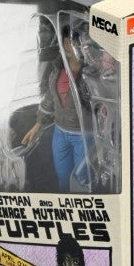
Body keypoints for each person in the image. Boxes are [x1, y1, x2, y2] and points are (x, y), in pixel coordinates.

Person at [22, 23, 92, 192]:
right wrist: (38, 125)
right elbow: (50, 98)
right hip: (60, 132)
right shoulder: (58, 68)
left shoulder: (90, 72)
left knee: (83, 179)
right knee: (63, 177)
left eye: (74, 42)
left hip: (83, 134)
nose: (69, 46)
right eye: (66, 42)